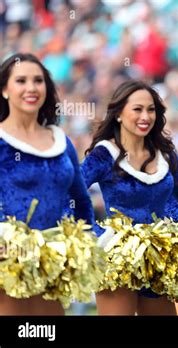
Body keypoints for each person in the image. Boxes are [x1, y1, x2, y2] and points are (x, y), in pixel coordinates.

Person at [81, 80, 178, 315]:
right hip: (117, 260)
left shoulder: (165, 153)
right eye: (137, 109)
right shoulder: (105, 154)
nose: (145, 116)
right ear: (119, 114)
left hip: (158, 258)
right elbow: (70, 195)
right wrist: (99, 237)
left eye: (151, 109)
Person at [0, 53, 94, 315]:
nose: (31, 88)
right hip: (7, 262)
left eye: (38, 81)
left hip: (51, 262)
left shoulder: (60, 140)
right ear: (5, 90)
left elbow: (81, 199)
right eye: (21, 81)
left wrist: (86, 240)